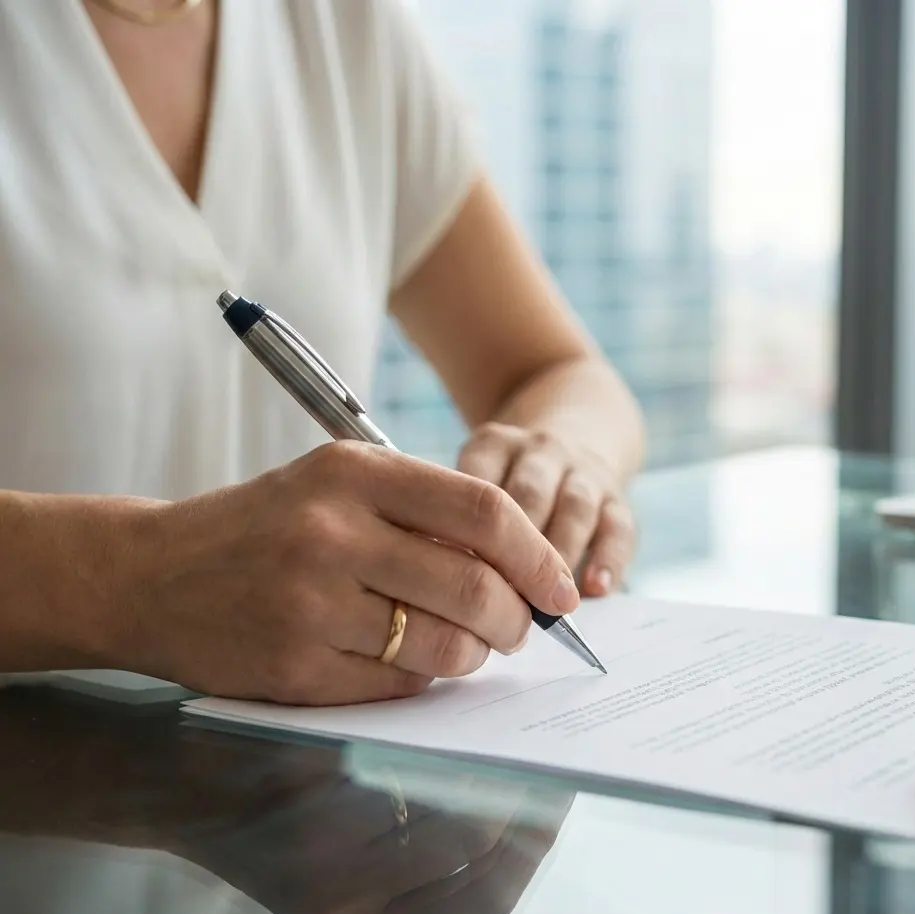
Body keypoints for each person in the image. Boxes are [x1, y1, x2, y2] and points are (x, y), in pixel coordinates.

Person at [0, 0, 645, 705]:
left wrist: (561, 459)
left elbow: (557, 371)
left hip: (300, 796)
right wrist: (136, 582)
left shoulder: (346, 24)